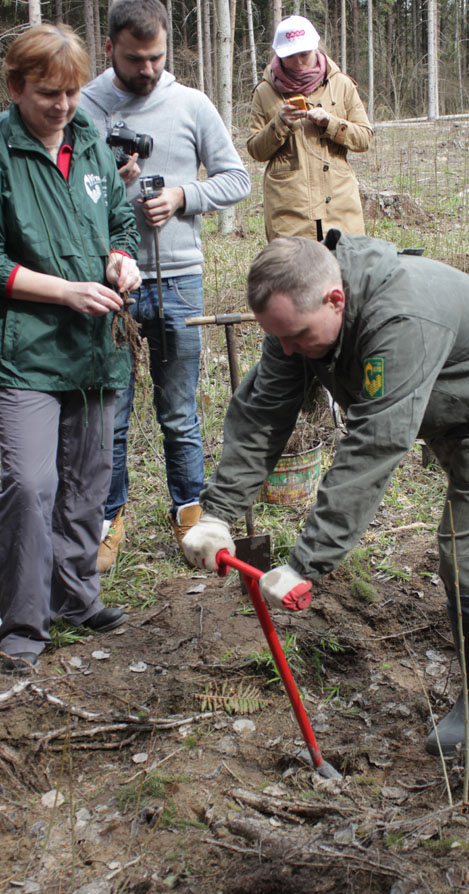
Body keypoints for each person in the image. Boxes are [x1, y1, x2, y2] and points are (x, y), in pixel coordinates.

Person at [182, 231, 469, 757]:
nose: (289, 349)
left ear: (336, 299)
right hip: (442, 395)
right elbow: (264, 412)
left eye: (298, 336)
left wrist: (307, 563)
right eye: (279, 337)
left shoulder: (398, 321)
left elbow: (373, 446)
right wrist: (218, 513)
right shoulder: (298, 315)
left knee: (468, 549)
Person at [79, 0, 251, 571]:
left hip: (179, 280)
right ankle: (109, 518)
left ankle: (191, 515)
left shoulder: (192, 105)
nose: (148, 70)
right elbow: (68, 193)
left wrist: (182, 196)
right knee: (114, 409)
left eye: (156, 58)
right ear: (110, 49)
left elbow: (236, 178)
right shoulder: (84, 105)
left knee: (178, 409)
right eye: (135, 59)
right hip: (112, 284)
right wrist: (110, 180)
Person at [0, 24, 141, 673]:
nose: (62, 106)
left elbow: (119, 221)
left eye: (73, 92)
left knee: (88, 484)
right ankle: (23, 622)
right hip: (26, 351)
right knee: (30, 484)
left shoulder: (88, 143)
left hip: (95, 348)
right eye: (48, 93)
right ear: (15, 87)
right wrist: (65, 292)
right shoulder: (2, 151)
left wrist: (121, 261)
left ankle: (77, 599)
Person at [247, 15, 373, 242]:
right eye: (290, 56)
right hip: (289, 211)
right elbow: (256, 150)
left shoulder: (340, 84)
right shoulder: (265, 91)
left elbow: (364, 138)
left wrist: (331, 123)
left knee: (343, 272)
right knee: (294, 274)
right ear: (279, 55)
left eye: (304, 54)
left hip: (339, 207)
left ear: (316, 48)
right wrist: (280, 123)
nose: (298, 62)